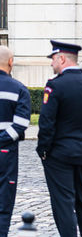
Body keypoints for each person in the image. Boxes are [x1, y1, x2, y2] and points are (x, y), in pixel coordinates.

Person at [37, 40, 82, 237]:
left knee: (63, 204)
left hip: (59, 155)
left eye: (53, 59)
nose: (52, 64)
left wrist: (43, 150)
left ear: (61, 58)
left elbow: (47, 123)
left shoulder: (55, 86)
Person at [0, 46, 31, 236]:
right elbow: (20, 125)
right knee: (3, 203)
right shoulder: (19, 89)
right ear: (11, 62)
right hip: (6, 153)